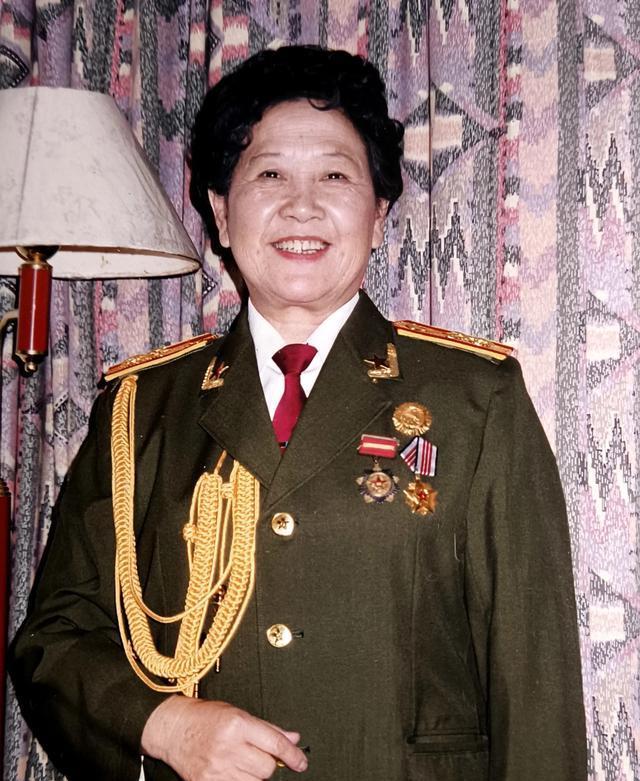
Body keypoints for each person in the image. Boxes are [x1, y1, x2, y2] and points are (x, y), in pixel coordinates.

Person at [10, 45, 587, 781]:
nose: (301, 205)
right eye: (270, 174)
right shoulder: (140, 411)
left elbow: (535, 687)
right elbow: (54, 639)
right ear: (221, 213)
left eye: (336, 176)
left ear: (379, 214)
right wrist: (161, 724)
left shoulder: (476, 400)